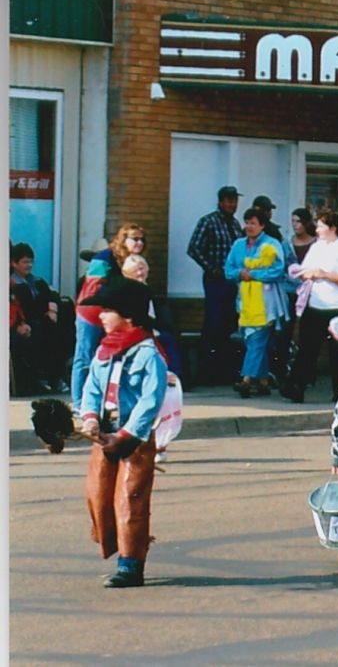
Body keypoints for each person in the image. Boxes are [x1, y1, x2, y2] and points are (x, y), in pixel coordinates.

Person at [77, 276, 168, 588]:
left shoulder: (148, 354)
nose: (100, 316)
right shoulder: (104, 351)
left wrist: (127, 436)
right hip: (104, 434)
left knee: (130, 498)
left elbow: (150, 400)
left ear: (128, 316)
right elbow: (91, 389)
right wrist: (89, 418)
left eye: (107, 311)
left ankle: (131, 563)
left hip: (134, 439)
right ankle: (115, 544)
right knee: (97, 493)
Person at [281, 211, 338, 404]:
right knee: (307, 347)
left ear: (332, 228)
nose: (316, 229)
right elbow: (306, 268)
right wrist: (304, 273)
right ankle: (296, 388)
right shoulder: (316, 247)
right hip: (316, 304)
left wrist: (324, 274)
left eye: (321, 226)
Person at [73, 223, 147, 410]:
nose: (139, 242)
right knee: (85, 357)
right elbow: (93, 288)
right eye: (134, 238)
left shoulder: (133, 260)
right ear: (124, 239)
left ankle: (100, 403)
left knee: (105, 360)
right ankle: (79, 403)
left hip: (114, 316)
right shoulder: (104, 257)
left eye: (142, 239)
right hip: (91, 314)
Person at [226, 209, 288, 398]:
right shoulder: (237, 245)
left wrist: (253, 274)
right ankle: (262, 382)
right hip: (244, 301)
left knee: (257, 340)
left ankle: (246, 379)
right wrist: (239, 274)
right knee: (251, 340)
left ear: (262, 225)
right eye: (246, 222)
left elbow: (277, 271)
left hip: (266, 301)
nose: (249, 227)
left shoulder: (272, 244)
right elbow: (228, 269)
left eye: (253, 223)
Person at [187, 185, 244, 385]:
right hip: (215, 279)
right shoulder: (208, 221)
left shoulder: (236, 224)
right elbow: (193, 248)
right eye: (228, 201)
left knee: (228, 323)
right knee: (213, 321)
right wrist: (212, 268)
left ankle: (223, 371)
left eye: (234, 201)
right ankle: (206, 372)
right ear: (220, 202)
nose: (232, 205)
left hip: (232, 280)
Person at [10, 242, 71, 394]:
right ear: (14, 263)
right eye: (25, 262)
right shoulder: (12, 283)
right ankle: (41, 378)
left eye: (31, 261)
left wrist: (52, 306)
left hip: (43, 321)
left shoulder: (36, 281)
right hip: (25, 324)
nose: (29, 265)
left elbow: (52, 295)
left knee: (63, 335)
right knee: (39, 338)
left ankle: (56, 378)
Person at [270, 208, 318, 381]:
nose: (295, 225)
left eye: (298, 221)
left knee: (308, 332)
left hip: (310, 291)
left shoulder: (316, 244)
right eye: (293, 221)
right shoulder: (287, 244)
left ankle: (307, 373)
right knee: (285, 331)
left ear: (306, 223)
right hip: (289, 291)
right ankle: (280, 371)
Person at [121, 255, 184, 379]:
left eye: (142, 268)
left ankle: (174, 377)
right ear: (127, 273)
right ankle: (172, 376)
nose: (140, 273)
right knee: (165, 341)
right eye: (135, 270)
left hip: (150, 329)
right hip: (135, 331)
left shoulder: (145, 288)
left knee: (168, 339)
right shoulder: (127, 290)